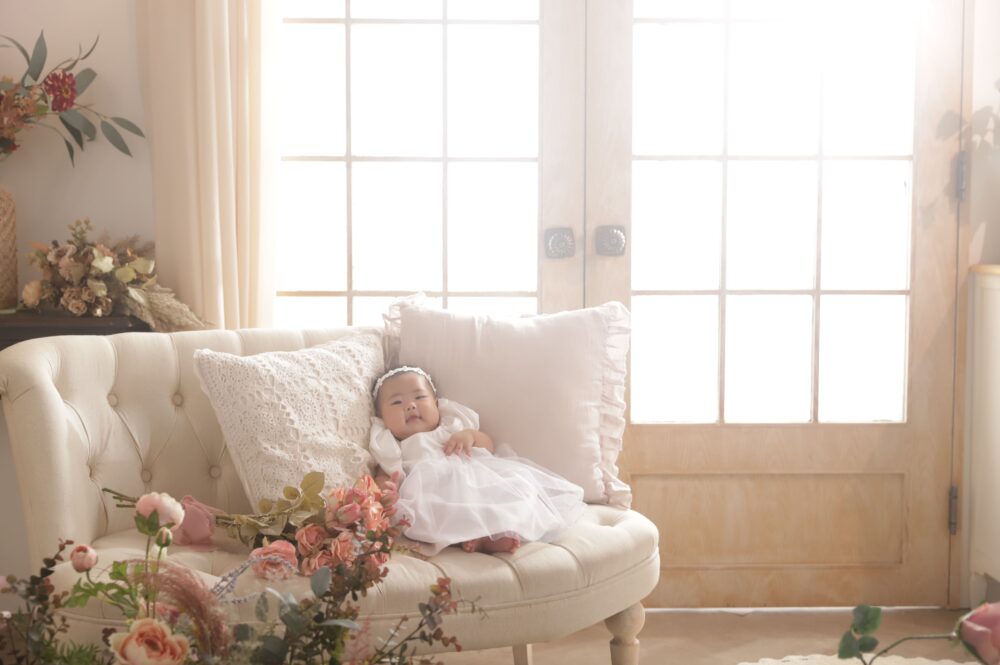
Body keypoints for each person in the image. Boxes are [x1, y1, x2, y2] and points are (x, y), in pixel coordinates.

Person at [369, 366, 585, 555]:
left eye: (419, 397)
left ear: (436, 403)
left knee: (514, 492)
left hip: (475, 480)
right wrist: (387, 491)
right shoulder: (392, 445)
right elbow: (385, 474)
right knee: (427, 516)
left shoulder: (452, 425)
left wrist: (470, 436)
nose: (410, 406)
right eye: (397, 402)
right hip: (430, 494)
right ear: (382, 416)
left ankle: (496, 531)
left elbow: (488, 447)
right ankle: (473, 539)